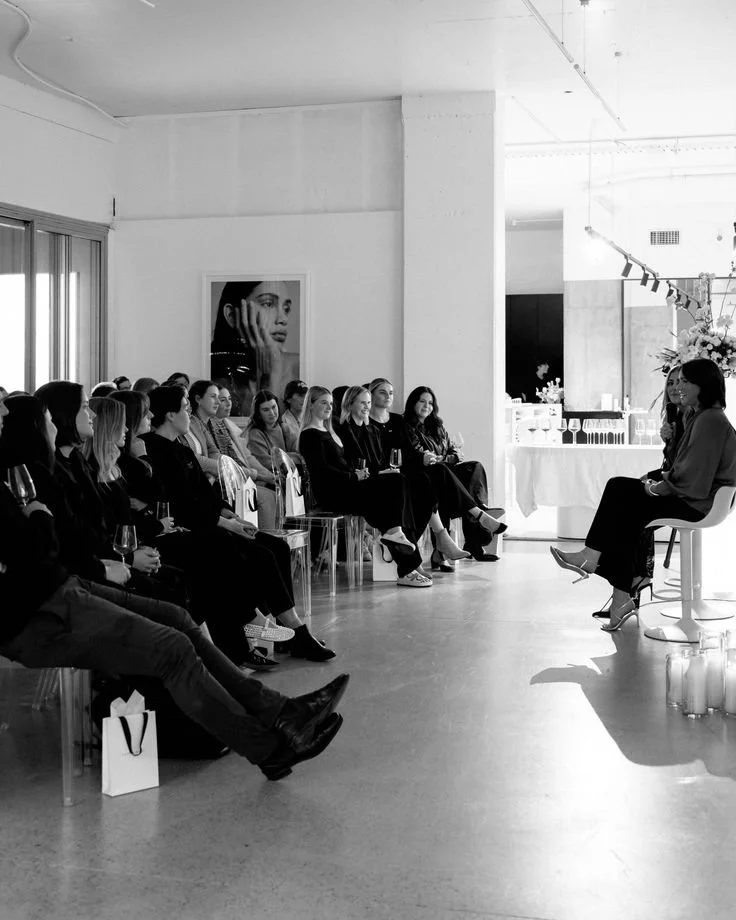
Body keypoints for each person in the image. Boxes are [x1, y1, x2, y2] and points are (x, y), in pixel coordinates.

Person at [0, 391, 348, 780]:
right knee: (173, 644)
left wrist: (41, 522)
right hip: (37, 608)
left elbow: (56, 542)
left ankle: (281, 711)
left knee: (177, 617)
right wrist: (40, 521)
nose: (3, 411)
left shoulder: (58, 466)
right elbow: (43, 549)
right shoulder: (34, 471)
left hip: (61, 587)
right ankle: (269, 747)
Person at [143, 386, 335, 664]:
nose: (189, 413)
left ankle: (282, 630)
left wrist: (229, 514)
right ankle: (294, 631)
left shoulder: (180, 447)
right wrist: (225, 523)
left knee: (277, 547)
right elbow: (182, 504)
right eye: (185, 408)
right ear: (170, 415)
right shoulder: (157, 450)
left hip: (214, 520)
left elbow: (206, 493)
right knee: (260, 554)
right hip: (197, 527)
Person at [551, 359, 736, 631]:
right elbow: (682, 464)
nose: (679, 387)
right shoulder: (699, 415)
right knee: (628, 508)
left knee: (620, 490)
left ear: (703, 385)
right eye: (677, 381)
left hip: (701, 504)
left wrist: (656, 487)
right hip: (700, 498)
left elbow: (691, 474)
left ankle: (596, 562)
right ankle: (621, 596)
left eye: (685, 381)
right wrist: (668, 449)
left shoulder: (709, 419)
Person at [299, 385, 429, 587]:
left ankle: (400, 550)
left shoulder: (327, 430)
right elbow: (323, 473)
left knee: (398, 481)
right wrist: (354, 476)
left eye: (331, 403)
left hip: (349, 486)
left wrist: (358, 475)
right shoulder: (309, 435)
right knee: (393, 487)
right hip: (335, 493)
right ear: (311, 404)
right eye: (323, 402)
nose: (328, 407)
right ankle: (404, 556)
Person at [403, 386, 506, 562]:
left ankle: (476, 520)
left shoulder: (437, 425)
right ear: (413, 402)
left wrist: (451, 456)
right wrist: (448, 458)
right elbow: (422, 457)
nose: (426, 406)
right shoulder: (406, 426)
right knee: (443, 477)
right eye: (422, 401)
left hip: (444, 471)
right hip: (426, 476)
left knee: (474, 467)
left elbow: (452, 451)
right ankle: (478, 519)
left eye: (430, 403)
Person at [188, 379, 277, 528]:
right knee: (267, 496)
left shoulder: (215, 424)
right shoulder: (195, 423)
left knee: (272, 491)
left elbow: (220, 454)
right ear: (197, 399)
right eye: (216, 398)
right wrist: (256, 474)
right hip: (217, 482)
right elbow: (199, 459)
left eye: (226, 399)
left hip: (228, 477)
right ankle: (262, 539)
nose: (222, 403)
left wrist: (260, 474)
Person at [210, 281, 299, 416]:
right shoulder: (214, 382)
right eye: (268, 304)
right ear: (232, 315)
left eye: (286, 309)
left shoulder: (298, 368)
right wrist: (268, 379)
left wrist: (272, 372)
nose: (282, 319)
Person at [247, 389, 298, 472]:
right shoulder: (255, 434)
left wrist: (283, 458)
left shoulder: (285, 428)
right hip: (270, 479)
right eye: (266, 410)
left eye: (274, 407)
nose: (272, 413)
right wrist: (289, 458)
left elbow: (298, 456)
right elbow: (267, 463)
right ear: (258, 413)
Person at [282, 379, 308, 443]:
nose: (305, 399)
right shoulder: (283, 423)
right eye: (301, 396)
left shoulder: (312, 417)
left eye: (307, 395)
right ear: (288, 399)